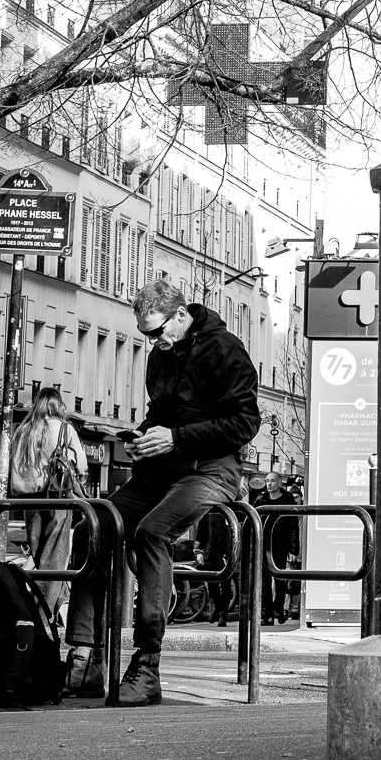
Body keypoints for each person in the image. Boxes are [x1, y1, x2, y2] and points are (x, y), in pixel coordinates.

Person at [63, 279, 260, 706]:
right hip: (161, 470)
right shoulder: (161, 355)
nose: (153, 341)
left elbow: (245, 423)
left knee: (152, 532)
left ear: (181, 315)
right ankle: (85, 655)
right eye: (145, 334)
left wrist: (176, 438)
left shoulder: (225, 350)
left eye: (157, 331)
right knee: (91, 528)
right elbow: (161, 413)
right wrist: (144, 436)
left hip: (210, 469)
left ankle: (147, 663)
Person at [10, 387, 86, 626]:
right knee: (54, 559)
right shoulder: (63, 428)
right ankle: (41, 618)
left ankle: (55, 607)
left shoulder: (23, 430)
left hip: (30, 500)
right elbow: (82, 466)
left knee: (40, 555)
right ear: (58, 405)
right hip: (56, 497)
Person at [256, 473, 300, 623]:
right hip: (263, 545)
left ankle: (279, 608)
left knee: (279, 579)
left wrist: (294, 550)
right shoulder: (261, 500)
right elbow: (253, 523)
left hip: (281, 545)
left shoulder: (288, 500)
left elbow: (293, 526)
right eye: (267, 481)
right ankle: (267, 613)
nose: (269, 484)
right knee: (265, 582)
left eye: (272, 481)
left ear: (280, 483)